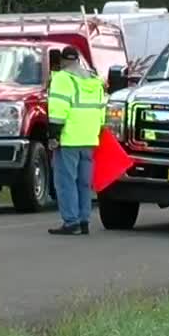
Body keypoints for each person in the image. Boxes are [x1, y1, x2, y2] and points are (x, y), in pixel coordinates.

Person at [46, 45, 107, 235]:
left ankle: (71, 222)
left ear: (63, 60)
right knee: (83, 182)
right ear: (78, 60)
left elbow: (57, 111)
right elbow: (101, 111)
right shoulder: (94, 81)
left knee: (66, 182)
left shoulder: (62, 79)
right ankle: (84, 220)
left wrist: (54, 136)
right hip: (89, 138)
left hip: (69, 138)